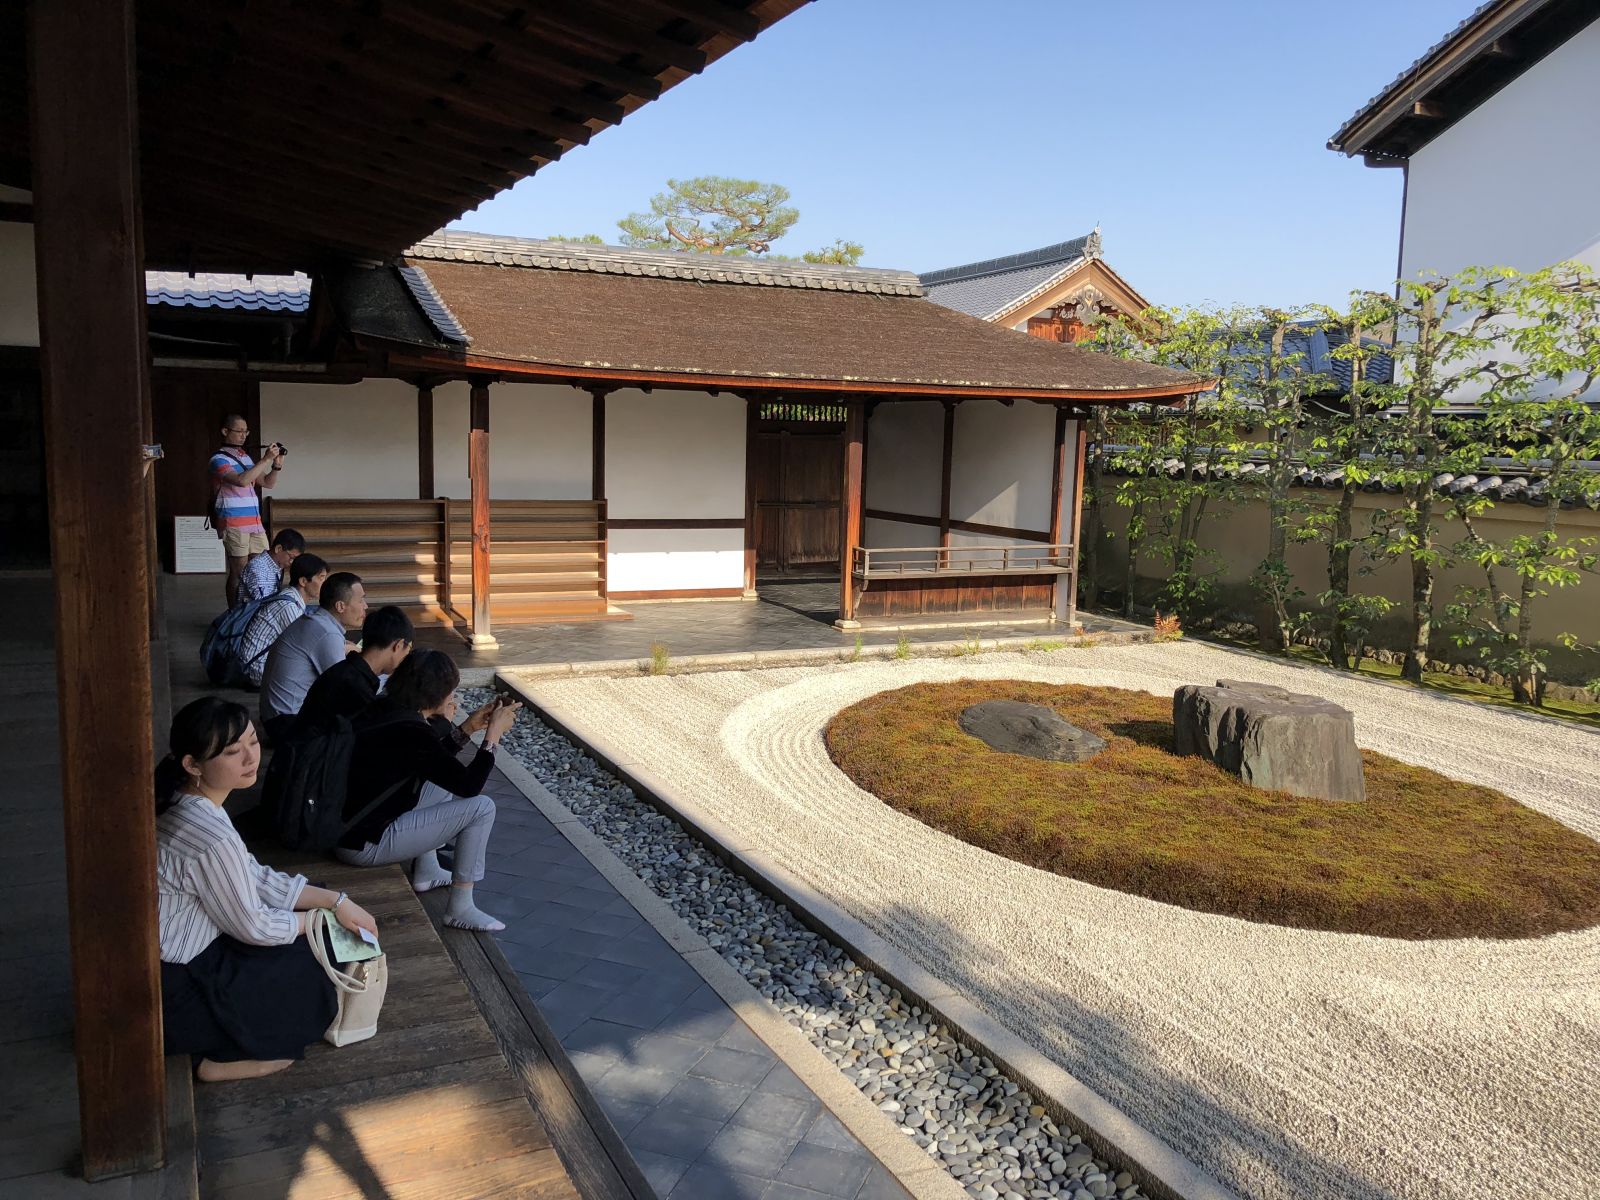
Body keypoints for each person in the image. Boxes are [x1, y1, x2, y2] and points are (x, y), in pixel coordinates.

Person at [155, 696, 378, 1082]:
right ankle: (212, 1061)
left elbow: (252, 875)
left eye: (253, 742)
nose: (249, 757)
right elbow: (254, 927)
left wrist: (335, 901)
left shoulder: (188, 800)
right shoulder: (209, 835)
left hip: (177, 958)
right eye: (231, 751)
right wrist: (320, 919)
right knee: (311, 968)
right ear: (193, 765)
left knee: (312, 910)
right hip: (178, 985)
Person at [336, 649, 519, 932]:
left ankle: (427, 869)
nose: (451, 698)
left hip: (348, 828)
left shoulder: (388, 709)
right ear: (435, 694)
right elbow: (470, 786)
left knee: (441, 785)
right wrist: (493, 735)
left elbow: (434, 764)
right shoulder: (413, 731)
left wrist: (468, 727)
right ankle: (461, 907)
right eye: (450, 691)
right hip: (365, 844)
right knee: (482, 808)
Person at [258, 572, 367, 742]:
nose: (365, 606)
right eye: (360, 601)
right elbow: (345, 690)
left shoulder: (317, 621)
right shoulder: (326, 633)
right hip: (287, 724)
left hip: (274, 718)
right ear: (340, 606)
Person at [294, 605, 415, 734]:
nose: (405, 659)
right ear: (399, 645)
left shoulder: (346, 671)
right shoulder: (355, 687)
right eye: (407, 652)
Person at [211, 415, 287, 608]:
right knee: (239, 572)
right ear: (225, 431)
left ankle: (253, 612)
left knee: (261, 568)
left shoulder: (245, 457)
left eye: (246, 431)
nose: (244, 435)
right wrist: (265, 459)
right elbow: (242, 480)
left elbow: (268, 483)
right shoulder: (218, 459)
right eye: (239, 431)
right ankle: (234, 615)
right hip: (233, 522)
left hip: (254, 523)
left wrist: (276, 464)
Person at [237, 553, 329, 689]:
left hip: (262, 663)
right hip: (257, 669)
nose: (325, 583)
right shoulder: (288, 606)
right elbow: (309, 646)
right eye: (321, 578)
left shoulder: (292, 598)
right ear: (303, 581)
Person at [237, 528, 306, 607]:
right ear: (278, 549)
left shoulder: (276, 567)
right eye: (291, 557)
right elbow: (265, 606)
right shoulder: (258, 569)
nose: (292, 562)